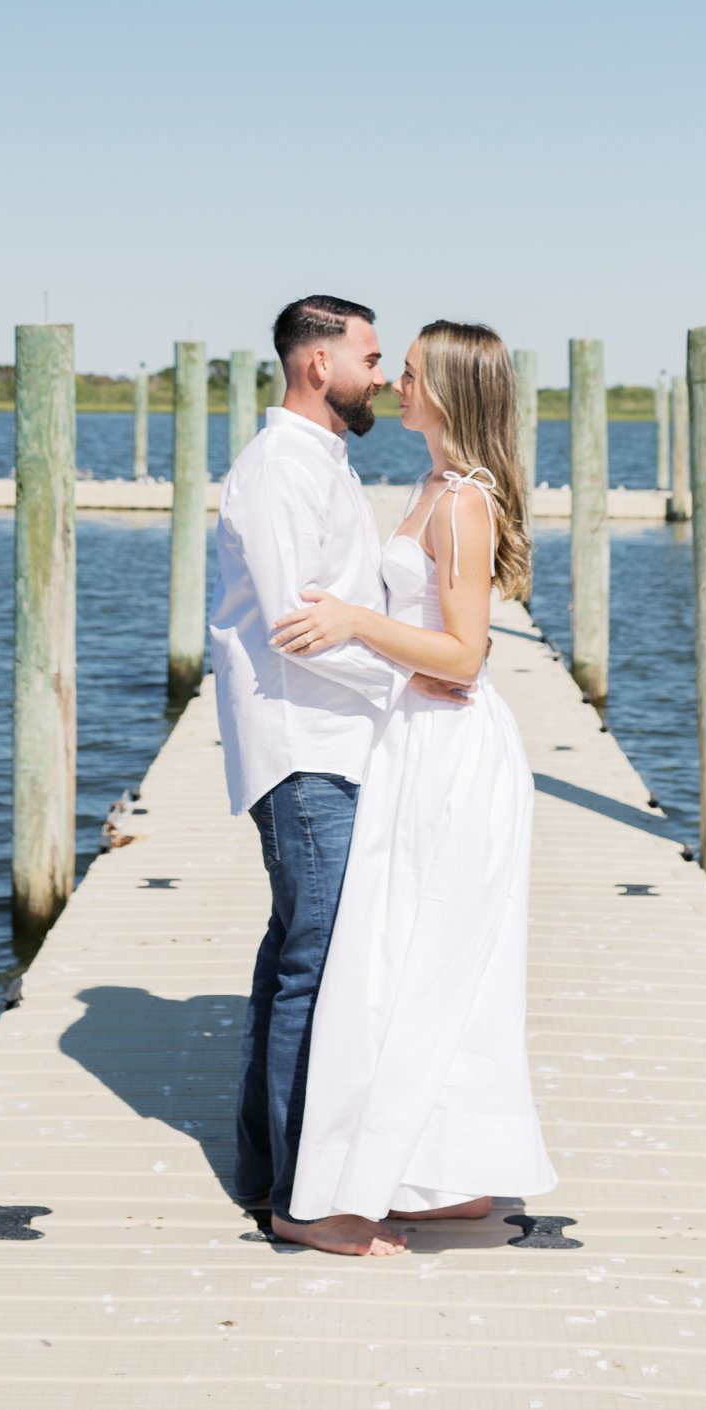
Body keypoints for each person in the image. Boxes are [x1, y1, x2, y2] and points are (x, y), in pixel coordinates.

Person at [271, 319, 557, 1227]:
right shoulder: (430, 486)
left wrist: (355, 622)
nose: (393, 383)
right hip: (415, 737)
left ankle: (401, 1176)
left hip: (451, 751)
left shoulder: (463, 500)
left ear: (449, 390)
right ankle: (450, 1177)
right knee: (404, 956)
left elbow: (464, 657)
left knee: (417, 960)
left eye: (408, 374)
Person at [213, 294, 453, 1258]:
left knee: (292, 959)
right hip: (305, 746)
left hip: (334, 739)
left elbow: (335, 609)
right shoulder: (278, 470)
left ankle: (269, 1173)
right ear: (317, 365)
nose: (384, 376)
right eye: (369, 357)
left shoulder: (324, 462)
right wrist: (417, 671)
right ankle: (305, 1205)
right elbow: (295, 624)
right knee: (314, 966)